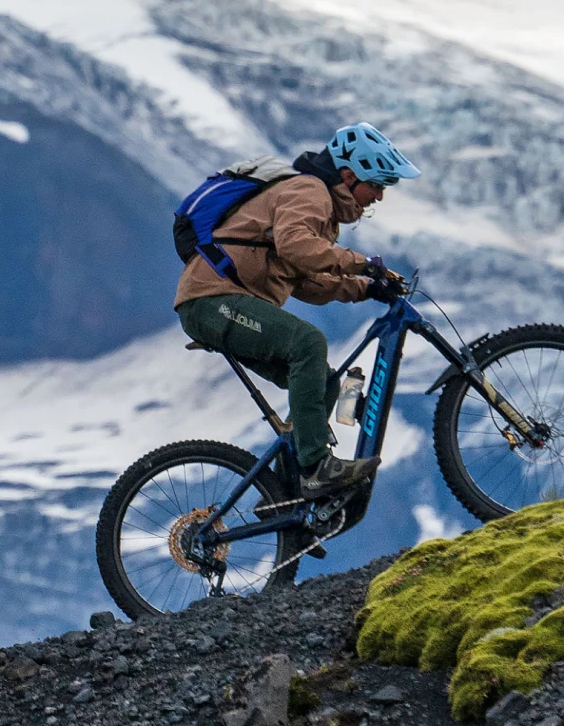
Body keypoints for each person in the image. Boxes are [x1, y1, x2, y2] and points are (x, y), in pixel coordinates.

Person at [174, 123, 417, 499]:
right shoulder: (309, 190)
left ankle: (287, 494)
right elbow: (295, 247)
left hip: (225, 304)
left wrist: (366, 288)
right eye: (378, 184)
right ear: (350, 176)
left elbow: (309, 282)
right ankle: (317, 467)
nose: (380, 197)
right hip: (212, 300)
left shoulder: (321, 209)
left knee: (324, 380)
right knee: (307, 341)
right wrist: (362, 264)